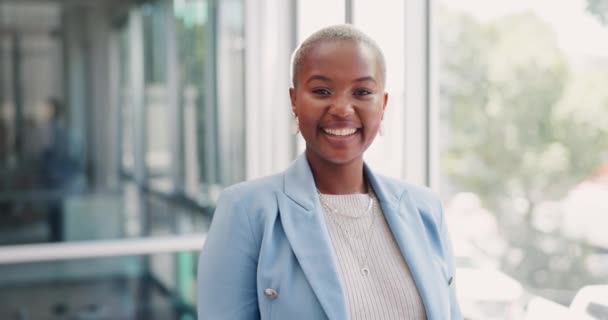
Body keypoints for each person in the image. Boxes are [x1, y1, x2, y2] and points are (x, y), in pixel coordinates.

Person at [198, 24, 462, 319]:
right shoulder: (246, 210)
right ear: (294, 100)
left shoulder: (425, 209)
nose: (342, 108)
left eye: (362, 91)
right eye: (321, 91)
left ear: (383, 104)